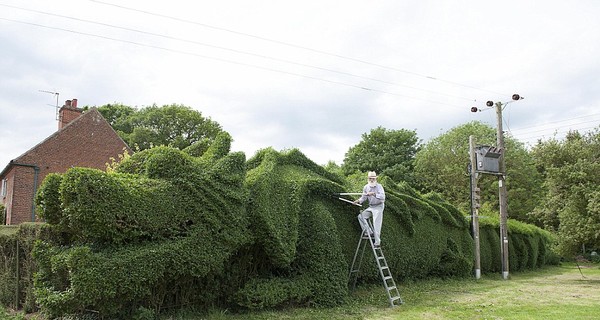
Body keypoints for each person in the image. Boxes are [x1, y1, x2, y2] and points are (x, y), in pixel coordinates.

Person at [354, 171, 385, 248]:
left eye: (373, 178)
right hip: (371, 206)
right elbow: (363, 197)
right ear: (368, 179)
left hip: (379, 206)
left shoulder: (379, 186)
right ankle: (369, 232)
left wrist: (374, 194)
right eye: (370, 178)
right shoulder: (366, 187)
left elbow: (383, 197)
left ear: (375, 179)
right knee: (361, 216)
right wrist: (358, 201)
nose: (372, 180)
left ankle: (377, 243)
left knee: (376, 224)